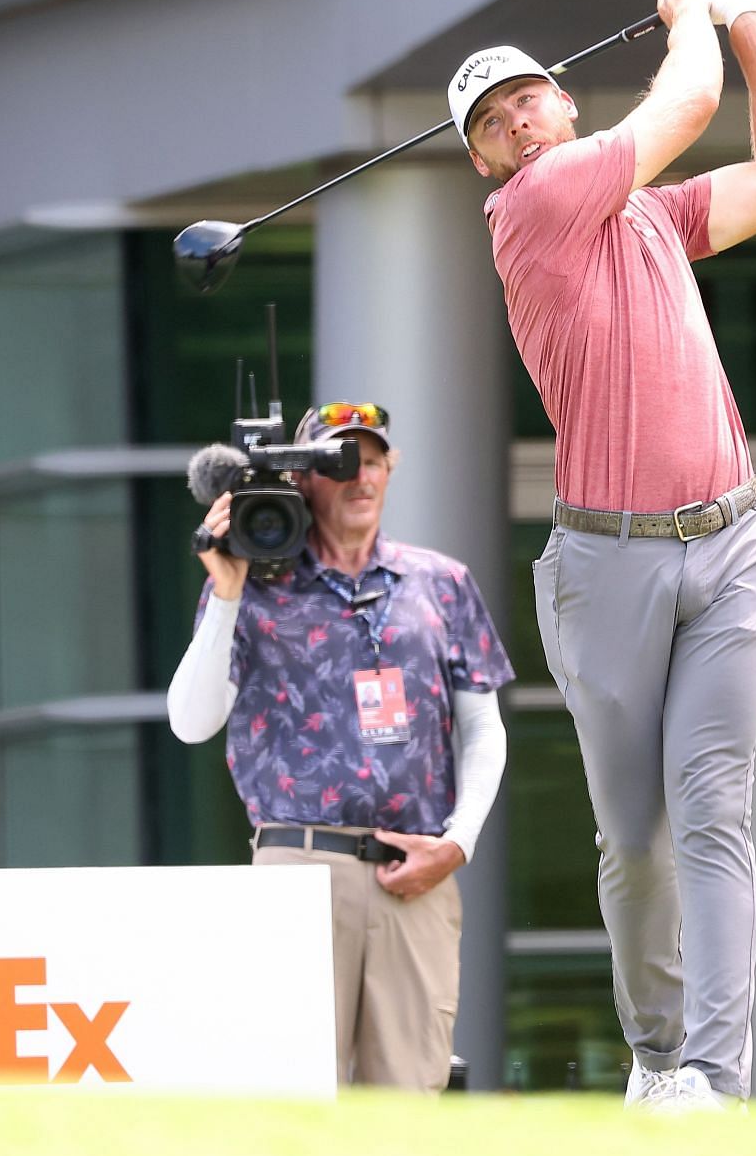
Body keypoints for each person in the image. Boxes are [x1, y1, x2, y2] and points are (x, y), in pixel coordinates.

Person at [448, 0, 756, 1111]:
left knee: (714, 807)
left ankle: (714, 1076)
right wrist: (692, 14)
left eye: (526, 95)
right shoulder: (534, 207)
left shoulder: (652, 214)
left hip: (732, 543)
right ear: (486, 161)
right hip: (607, 563)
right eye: (489, 120)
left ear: (564, 100)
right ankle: (658, 1054)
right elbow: (688, 106)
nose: (515, 117)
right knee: (640, 836)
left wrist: (751, 16)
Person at [166, 401, 515, 1091]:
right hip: (299, 864)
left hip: (413, 873)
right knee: (295, 1100)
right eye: (340, 462)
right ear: (301, 480)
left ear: (391, 471)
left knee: (409, 1103)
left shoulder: (440, 582)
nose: (360, 476)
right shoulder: (257, 585)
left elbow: (484, 726)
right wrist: (228, 593)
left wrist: (459, 842)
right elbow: (190, 721)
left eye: (374, 459)